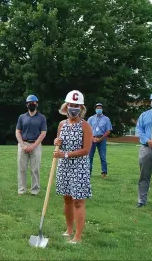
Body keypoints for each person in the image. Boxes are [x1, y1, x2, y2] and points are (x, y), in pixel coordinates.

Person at [53, 90, 93, 244]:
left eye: (76, 105)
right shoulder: (61, 124)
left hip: (79, 167)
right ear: (66, 106)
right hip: (64, 167)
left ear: (81, 107)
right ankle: (69, 229)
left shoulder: (85, 126)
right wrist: (57, 142)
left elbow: (86, 150)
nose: (73, 107)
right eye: (71, 104)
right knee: (67, 199)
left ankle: (78, 236)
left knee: (78, 201)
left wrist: (65, 155)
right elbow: (59, 141)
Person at [15, 95, 47, 196]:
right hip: (23, 144)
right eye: (29, 103)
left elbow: (43, 133)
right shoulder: (22, 117)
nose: (31, 104)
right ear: (26, 104)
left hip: (36, 145)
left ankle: (35, 190)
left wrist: (34, 145)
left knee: (35, 169)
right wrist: (22, 144)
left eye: (33, 102)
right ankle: (21, 189)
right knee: (22, 168)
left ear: (37, 104)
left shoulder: (42, 118)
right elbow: (17, 131)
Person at [87, 103, 112, 178]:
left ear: (102, 109)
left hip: (102, 139)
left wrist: (100, 139)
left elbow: (108, 131)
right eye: (97, 108)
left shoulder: (106, 119)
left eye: (100, 108)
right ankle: (88, 173)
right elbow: (87, 130)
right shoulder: (91, 118)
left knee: (103, 156)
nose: (99, 109)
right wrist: (92, 138)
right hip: (92, 139)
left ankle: (104, 173)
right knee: (90, 156)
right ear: (95, 109)